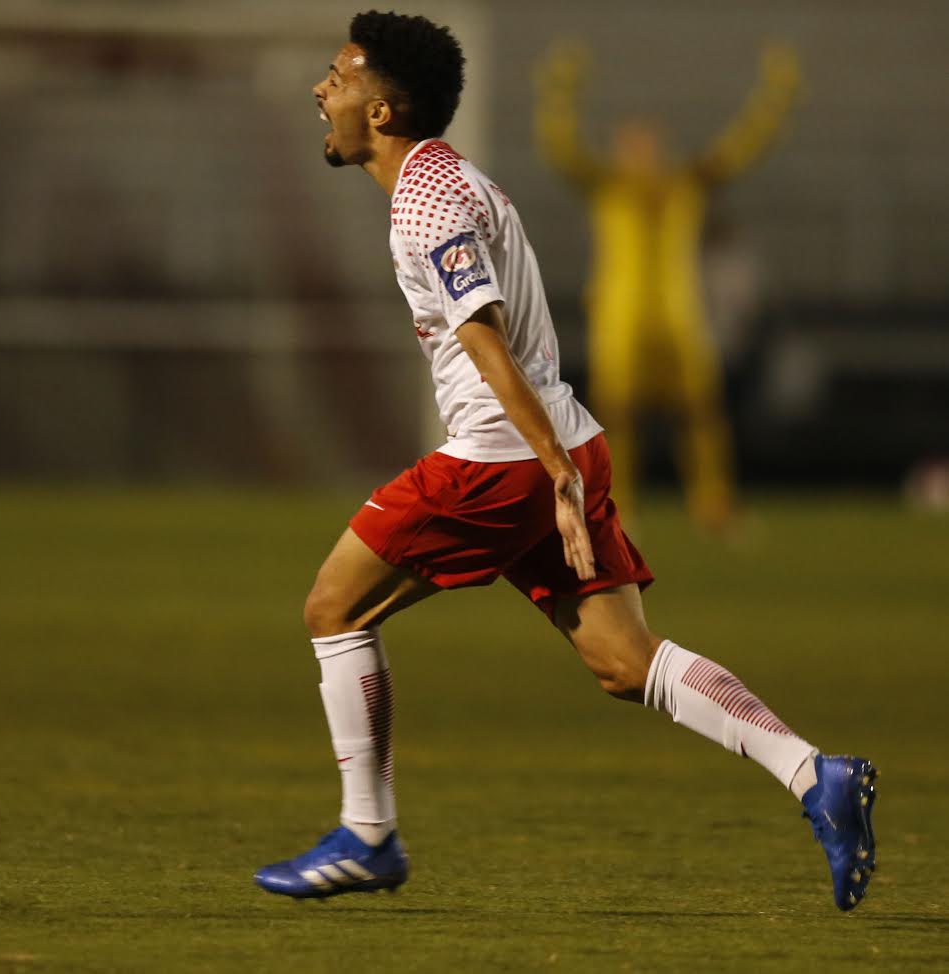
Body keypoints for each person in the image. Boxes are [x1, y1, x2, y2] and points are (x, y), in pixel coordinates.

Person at [254, 11, 875, 911]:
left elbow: (486, 339)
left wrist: (551, 474)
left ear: (383, 109)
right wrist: (560, 461)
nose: (323, 90)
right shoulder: (451, 179)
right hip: (561, 439)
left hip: (504, 458)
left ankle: (369, 836)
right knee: (626, 662)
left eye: (339, 78)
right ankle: (815, 772)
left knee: (332, 607)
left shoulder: (427, 200)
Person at [533, 41, 801, 533]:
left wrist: (775, 94)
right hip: (621, 316)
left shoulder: (686, 185)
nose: (643, 153)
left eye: (649, 144)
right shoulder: (607, 186)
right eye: (633, 144)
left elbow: (743, 147)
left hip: (681, 314)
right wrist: (560, 91)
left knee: (701, 411)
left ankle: (713, 504)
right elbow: (562, 148)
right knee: (618, 415)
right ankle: (618, 505)